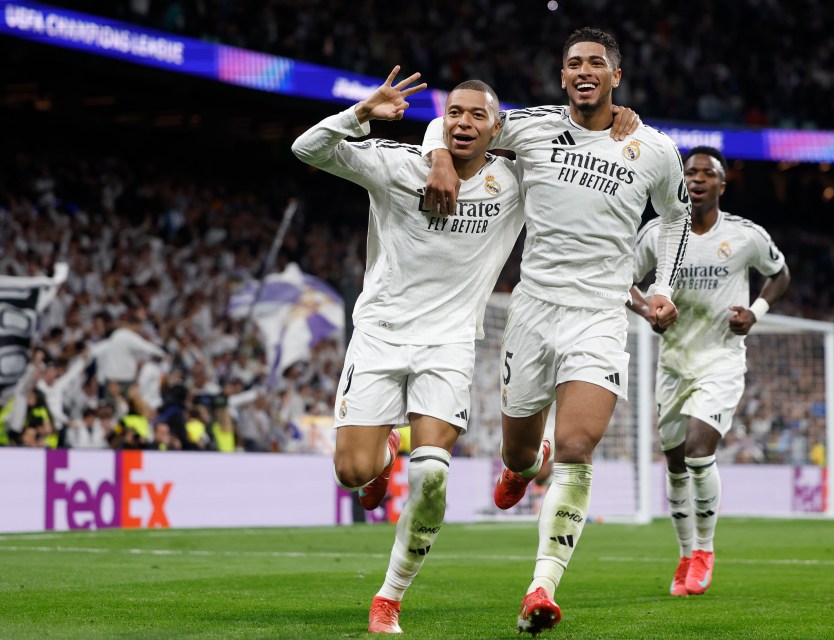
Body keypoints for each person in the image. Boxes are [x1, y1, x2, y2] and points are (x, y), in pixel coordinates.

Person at [423, 27, 691, 634]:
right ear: (563, 76)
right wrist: (441, 156)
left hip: (599, 315)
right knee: (521, 451)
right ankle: (522, 464)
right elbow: (457, 121)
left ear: (615, 76)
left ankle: (541, 587)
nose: (584, 70)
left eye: (597, 62)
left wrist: (664, 289)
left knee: (577, 448)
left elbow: (677, 220)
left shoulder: (652, 148)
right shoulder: (530, 125)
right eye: (574, 63)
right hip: (533, 310)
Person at [291, 68, 527, 634]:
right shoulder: (397, 165)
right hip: (379, 334)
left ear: (498, 129)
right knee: (352, 473)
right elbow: (307, 149)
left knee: (433, 477)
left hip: (448, 343)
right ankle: (382, 456)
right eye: (454, 113)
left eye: (478, 115)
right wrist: (361, 113)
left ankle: (390, 596)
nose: (464, 123)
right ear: (440, 121)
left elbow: (565, 144)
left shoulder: (517, 180)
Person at [630, 145, 790, 596]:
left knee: (700, 451)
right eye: (690, 172)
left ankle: (705, 550)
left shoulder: (744, 235)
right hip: (674, 362)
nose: (697, 178)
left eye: (707, 173)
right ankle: (685, 555)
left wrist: (756, 311)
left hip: (720, 359)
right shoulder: (658, 234)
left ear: (722, 184)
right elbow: (622, 278)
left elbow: (780, 274)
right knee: (676, 462)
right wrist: (648, 311)